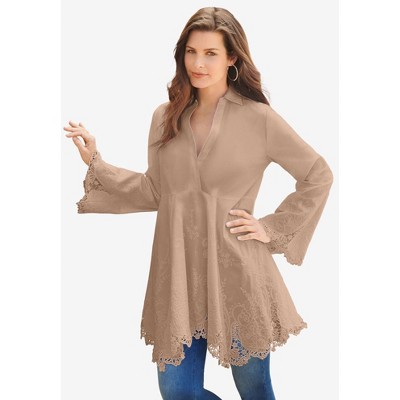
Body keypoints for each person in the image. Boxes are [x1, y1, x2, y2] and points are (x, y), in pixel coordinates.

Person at [64, 6, 333, 400]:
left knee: (255, 389)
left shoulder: (260, 119)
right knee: (178, 392)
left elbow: (318, 174)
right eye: (191, 52)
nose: (198, 63)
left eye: (210, 53)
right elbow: (156, 191)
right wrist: (96, 163)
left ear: (232, 58)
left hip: (237, 276)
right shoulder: (165, 117)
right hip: (178, 276)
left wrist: (270, 227)